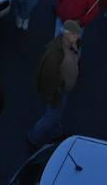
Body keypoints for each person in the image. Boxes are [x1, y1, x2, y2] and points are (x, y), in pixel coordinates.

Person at [26, 21, 81, 150]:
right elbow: (48, 78)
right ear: (67, 35)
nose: (78, 36)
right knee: (50, 117)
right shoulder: (55, 54)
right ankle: (33, 138)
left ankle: (56, 132)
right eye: (75, 34)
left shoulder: (70, 45)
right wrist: (54, 95)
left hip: (62, 90)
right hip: (57, 93)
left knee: (57, 113)